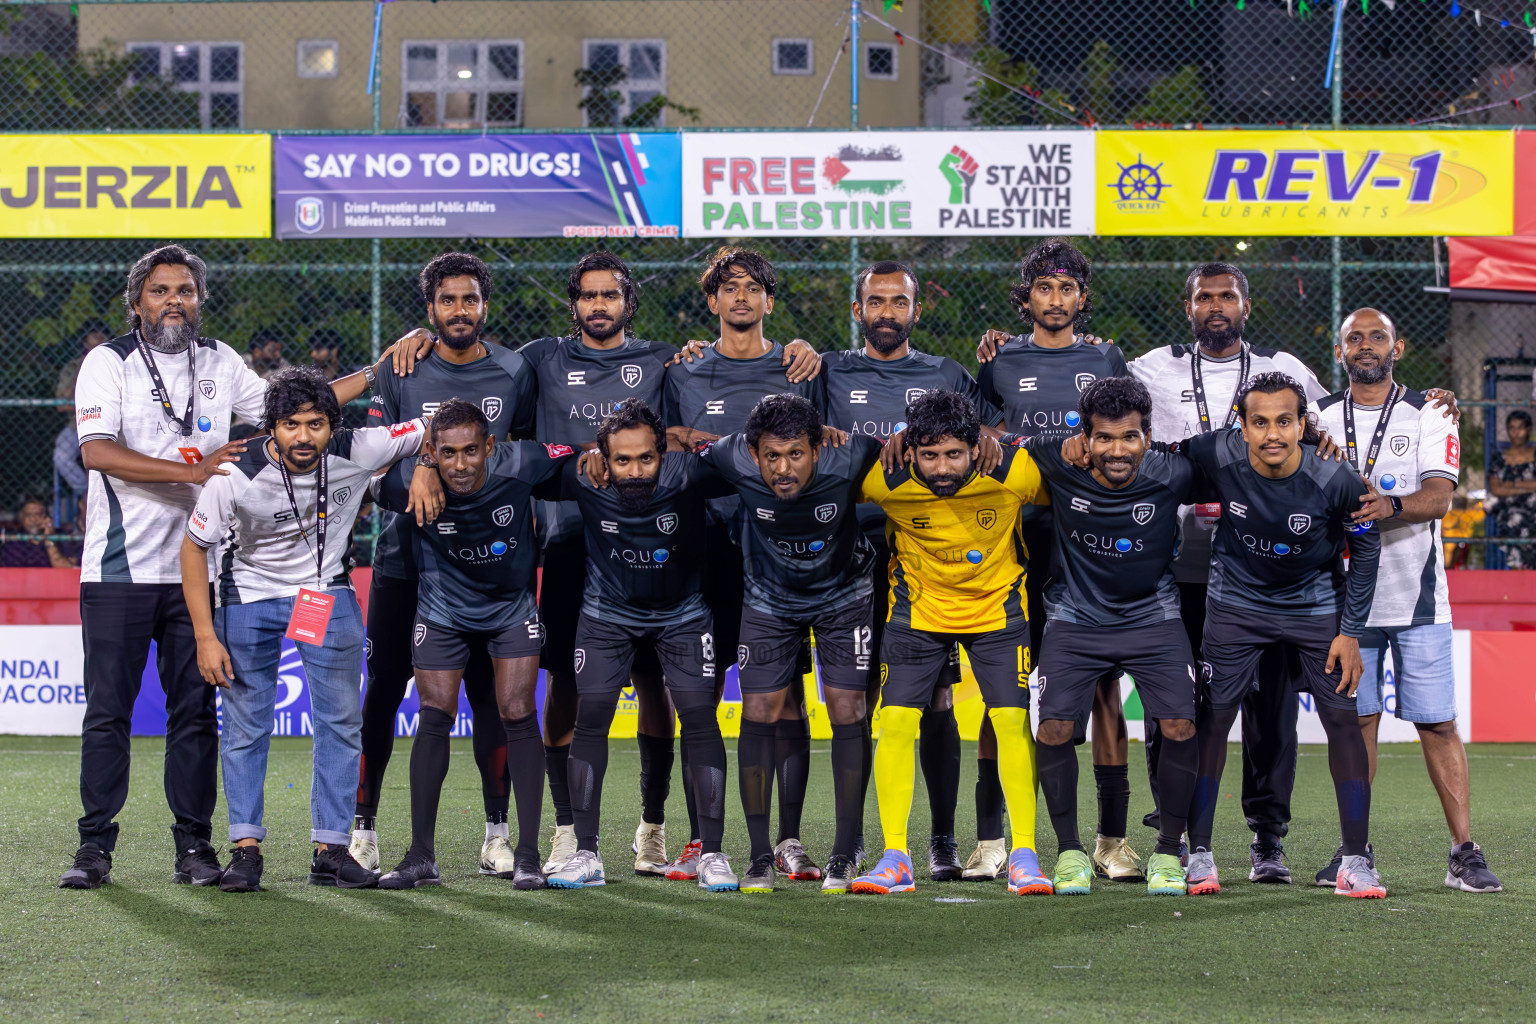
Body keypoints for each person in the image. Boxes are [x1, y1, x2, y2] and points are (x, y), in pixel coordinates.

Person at [61, 244, 400, 890]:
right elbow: (98, 452)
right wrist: (189, 471)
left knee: (195, 713)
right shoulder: (108, 364)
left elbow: (299, 402)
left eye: (185, 290)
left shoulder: (219, 360)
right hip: (118, 570)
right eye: (160, 291)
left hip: (202, 575)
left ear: (199, 299)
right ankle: (93, 848)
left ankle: (194, 847)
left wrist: (380, 371)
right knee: (109, 711)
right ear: (137, 302)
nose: (173, 301)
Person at [179, 367, 427, 893]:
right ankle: (245, 850)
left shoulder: (359, 448)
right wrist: (205, 634)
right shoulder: (234, 474)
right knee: (247, 726)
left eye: (316, 424)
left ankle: (331, 851)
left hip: (325, 594)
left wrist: (425, 463)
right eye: (290, 424)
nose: (303, 436)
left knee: (340, 722)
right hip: (248, 596)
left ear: (331, 424)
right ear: (271, 426)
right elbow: (193, 548)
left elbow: (438, 427)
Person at [351, 252, 538, 881]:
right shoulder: (402, 368)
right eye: (448, 301)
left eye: (470, 300)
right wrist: (422, 466)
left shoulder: (516, 370)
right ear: (429, 310)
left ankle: (496, 835)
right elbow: (375, 464)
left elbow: (522, 456)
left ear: (485, 305)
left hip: (487, 564)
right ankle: (364, 829)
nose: (460, 311)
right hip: (406, 561)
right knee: (382, 691)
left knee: (493, 697)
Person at [820, 260, 1000, 882]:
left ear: (915, 311)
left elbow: (983, 441)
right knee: (858, 702)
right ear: (857, 309)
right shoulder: (824, 369)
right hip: (841, 559)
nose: (887, 313)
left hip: (920, 559)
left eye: (899, 303)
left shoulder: (945, 374)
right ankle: (850, 843)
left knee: (936, 699)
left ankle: (943, 840)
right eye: (876, 302)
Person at [1173, 372, 1385, 898]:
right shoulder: (1217, 453)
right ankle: (1198, 852)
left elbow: (1368, 549)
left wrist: (1350, 631)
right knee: (1215, 718)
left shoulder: (1336, 478)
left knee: (1342, 719)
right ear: (1240, 427)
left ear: (1303, 424)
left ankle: (1356, 861)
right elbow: (1158, 453)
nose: (1272, 434)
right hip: (1236, 603)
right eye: (1260, 422)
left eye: (1285, 421)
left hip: (1314, 606)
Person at [1312, 308, 1501, 893]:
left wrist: (1386, 506)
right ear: (1340, 351)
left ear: (1398, 346)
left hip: (1418, 600)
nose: (1365, 346)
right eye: (1354, 338)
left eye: (1377, 337)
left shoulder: (1431, 410)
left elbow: (1441, 497)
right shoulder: (1318, 418)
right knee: (1357, 723)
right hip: (1349, 603)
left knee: (1438, 723)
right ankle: (1355, 851)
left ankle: (1463, 852)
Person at [975, 239, 1141, 883]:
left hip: (1084, 541)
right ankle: (994, 841)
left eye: (1067, 288)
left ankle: (1111, 840)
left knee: (1103, 688)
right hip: (1014, 541)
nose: (1055, 299)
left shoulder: (1105, 358)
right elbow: (982, 439)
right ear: (1027, 298)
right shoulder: (999, 359)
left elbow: (1123, 437)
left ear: (1082, 297)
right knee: (1003, 694)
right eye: (1043, 288)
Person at [516, 251, 684, 876]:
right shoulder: (539, 360)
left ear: (627, 302)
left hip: (646, 549)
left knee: (655, 685)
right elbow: (504, 426)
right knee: (563, 684)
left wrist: (797, 345)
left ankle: (652, 826)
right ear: (574, 303)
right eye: (587, 296)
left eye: (609, 295)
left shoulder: (666, 362)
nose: (598, 305)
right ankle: (567, 829)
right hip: (569, 548)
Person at [660, 246, 825, 882]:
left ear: (769, 301)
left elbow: (822, 449)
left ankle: (786, 839)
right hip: (702, 552)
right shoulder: (685, 370)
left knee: (784, 702)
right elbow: (664, 445)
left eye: (752, 287)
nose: (740, 298)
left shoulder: (800, 368)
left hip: (779, 556)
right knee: (697, 702)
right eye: (728, 288)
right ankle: (705, 840)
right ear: (711, 301)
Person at [370, 399, 572, 890]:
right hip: (442, 610)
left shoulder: (523, 462)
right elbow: (368, 477)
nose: (459, 465)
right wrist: (418, 467)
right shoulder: (414, 480)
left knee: (517, 710)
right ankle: (421, 856)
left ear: (490, 447)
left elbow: (583, 458)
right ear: (433, 452)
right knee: (434, 713)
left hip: (510, 609)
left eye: (470, 452)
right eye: (447, 453)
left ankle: (526, 854)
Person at [856, 389, 1050, 896]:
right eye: (929, 454)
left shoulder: (1014, 472)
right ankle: (895, 856)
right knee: (894, 722)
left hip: (998, 613)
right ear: (910, 449)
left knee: (1010, 720)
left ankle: (1024, 854)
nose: (941, 467)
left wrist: (1008, 439)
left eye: (954, 454)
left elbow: (1071, 473)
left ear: (976, 445)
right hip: (917, 614)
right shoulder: (887, 477)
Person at [543, 400, 738, 892]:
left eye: (645, 459)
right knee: (592, 715)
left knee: (698, 717)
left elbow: (759, 452)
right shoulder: (583, 476)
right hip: (607, 616)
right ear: (603, 458)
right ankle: (586, 854)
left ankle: (711, 853)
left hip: (684, 615)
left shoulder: (691, 472)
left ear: (664, 453)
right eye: (622, 460)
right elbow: (507, 463)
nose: (633, 471)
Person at [1025, 377, 1201, 896]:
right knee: (1053, 729)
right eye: (1104, 438)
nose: (1117, 450)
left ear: (1148, 436)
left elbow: (1243, 461)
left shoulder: (1175, 471)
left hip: (1155, 616)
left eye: (1129, 437)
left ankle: (1169, 853)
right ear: (1085, 437)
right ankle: (1071, 853)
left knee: (1179, 726)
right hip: (1075, 617)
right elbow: (997, 444)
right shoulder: (1056, 460)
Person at [698, 395, 877, 894]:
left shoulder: (852, 455)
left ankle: (844, 854)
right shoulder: (732, 455)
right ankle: (759, 856)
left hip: (845, 596)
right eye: (771, 456)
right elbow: (682, 450)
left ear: (818, 448)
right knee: (758, 712)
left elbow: (908, 452)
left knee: (846, 709)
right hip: (769, 598)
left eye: (796, 454)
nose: (783, 468)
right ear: (753, 453)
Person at [1488, 410, 1536, 569]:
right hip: (1510, 513)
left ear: (1529, 429)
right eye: (1511, 428)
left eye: (1520, 427)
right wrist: (1528, 485)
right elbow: (1496, 488)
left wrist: (1510, 484)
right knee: (1513, 519)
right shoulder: (1500, 457)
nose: (1516, 433)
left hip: (1533, 511)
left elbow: (1502, 487)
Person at [1, 496, 76, 568]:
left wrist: (49, 538)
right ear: (21, 518)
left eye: (38, 514)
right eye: (28, 515)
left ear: (46, 517)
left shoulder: (62, 537)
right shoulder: (14, 542)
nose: (33, 519)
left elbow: (67, 568)